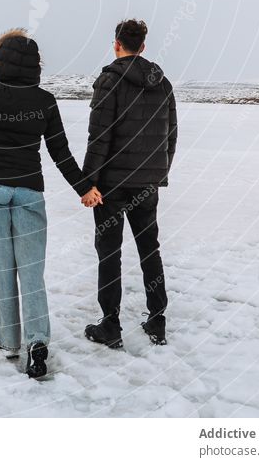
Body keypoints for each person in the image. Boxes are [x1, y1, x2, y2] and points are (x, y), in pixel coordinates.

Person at [0, 27, 102, 378]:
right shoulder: (45, 102)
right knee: (31, 272)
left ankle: (9, 341)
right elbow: (61, 154)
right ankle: (37, 343)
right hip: (28, 191)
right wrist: (84, 188)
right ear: (34, 66)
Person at [82, 19, 177, 348]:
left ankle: (110, 324)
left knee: (109, 253)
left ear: (117, 44)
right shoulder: (162, 84)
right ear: (143, 46)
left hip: (110, 185)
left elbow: (99, 137)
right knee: (150, 249)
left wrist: (87, 182)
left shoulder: (110, 80)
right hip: (146, 183)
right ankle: (157, 319)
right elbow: (171, 135)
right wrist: (157, 172)